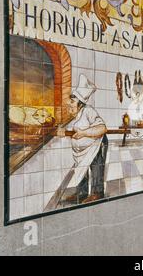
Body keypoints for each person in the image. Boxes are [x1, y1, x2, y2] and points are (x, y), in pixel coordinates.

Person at [57, 74, 108, 204]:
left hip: (96, 144)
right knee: (81, 168)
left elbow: (102, 128)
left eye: (72, 102)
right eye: (70, 101)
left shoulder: (88, 111)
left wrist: (84, 133)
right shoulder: (72, 115)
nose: (69, 105)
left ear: (80, 104)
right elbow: (69, 130)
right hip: (81, 149)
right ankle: (82, 193)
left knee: (96, 167)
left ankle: (97, 193)